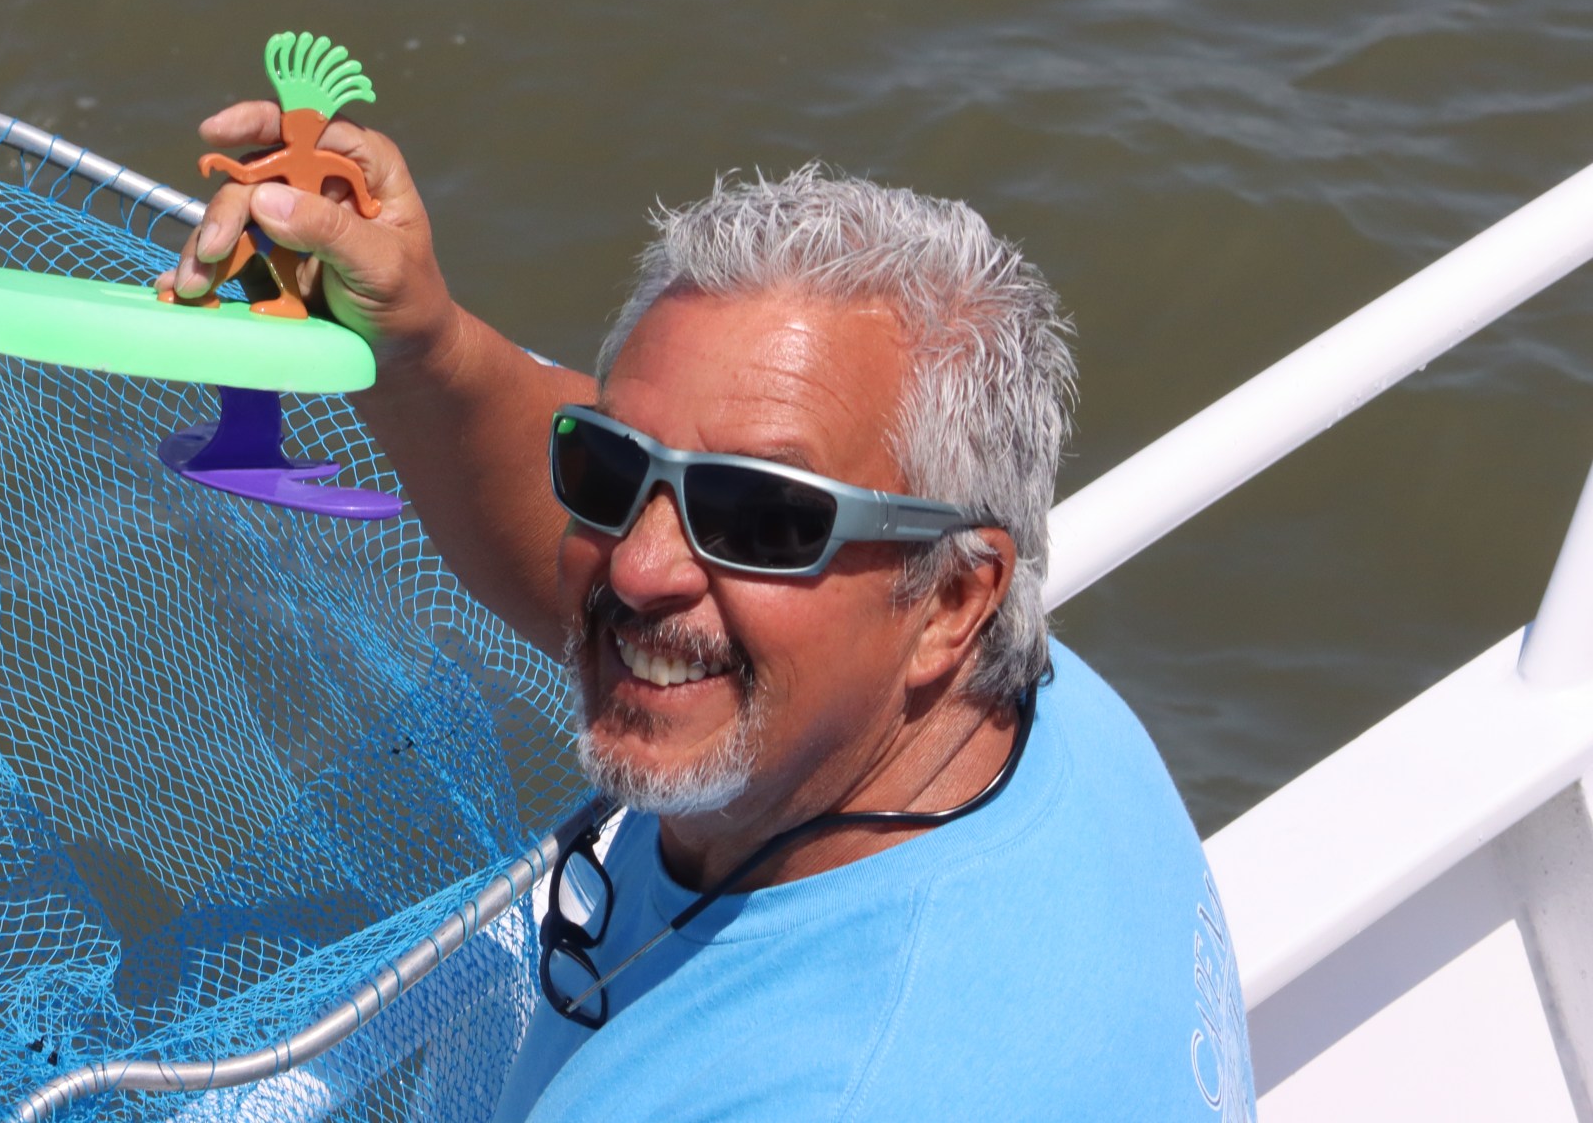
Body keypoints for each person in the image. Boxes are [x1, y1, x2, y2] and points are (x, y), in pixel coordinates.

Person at [165, 101, 1255, 1122]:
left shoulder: (835, 1089)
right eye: (611, 466)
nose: (639, 568)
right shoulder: (1034, 714)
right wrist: (420, 342)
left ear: (953, 596)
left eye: (759, 515)